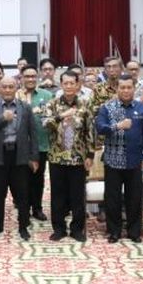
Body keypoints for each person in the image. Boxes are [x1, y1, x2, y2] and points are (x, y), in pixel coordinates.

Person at [95, 74, 143, 243]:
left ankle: (134, 231)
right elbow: (100, 128)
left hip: (135, 160)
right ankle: (114, 231)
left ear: (134, 89)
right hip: (113, 160)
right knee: (112, 198)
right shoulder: (107, 108)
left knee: (134, 197)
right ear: (117, 89)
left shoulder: (142, 108)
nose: (126, 90)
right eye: (122, 87)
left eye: (129, 87)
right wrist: (118, 126)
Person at [0, 77, 41, 240]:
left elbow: (33, 133)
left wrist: (34, 157)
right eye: (4, 87)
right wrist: (3, 118)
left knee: (22, 194)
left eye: (11, 87)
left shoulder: (25, 107)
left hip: (19, 155)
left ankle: (23, 227)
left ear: (16, 88)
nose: (7, 90)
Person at [40, 72, 95, 242]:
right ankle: (59, 229)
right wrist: (61, 116)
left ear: (78, 85)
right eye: (66, 83)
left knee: (77, 195)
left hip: (77, 157)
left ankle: (77, 229)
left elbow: (90, 130)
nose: (69, 86)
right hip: (57, 157)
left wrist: (90, 154)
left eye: (72, 83)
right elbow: (45, 123)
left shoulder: (85, 104)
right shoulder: (53, 103)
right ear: (61, 85)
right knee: (58, 195)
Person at [19, 66, 53, 221]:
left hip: (41, 143)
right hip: (20, 146)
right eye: (27, 76)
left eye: (33, 76)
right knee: (22, 180)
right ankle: (24, 209)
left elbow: (52, 117)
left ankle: (37, 208)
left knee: (38, 179)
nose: (30, 79)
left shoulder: (47, 95)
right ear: (21, 78)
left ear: (38, 77)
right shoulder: (16, 95)